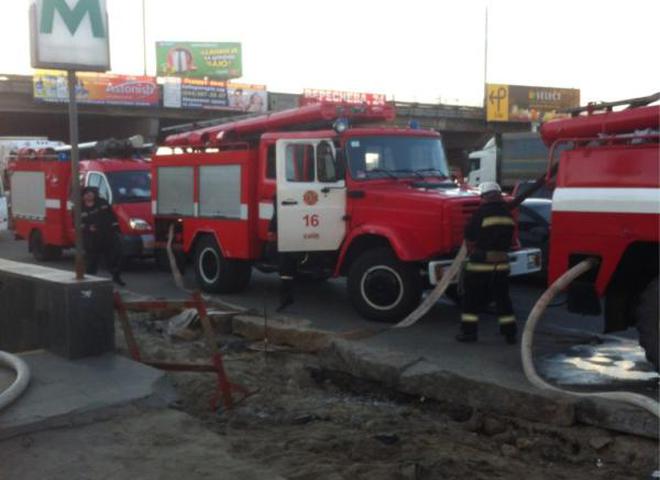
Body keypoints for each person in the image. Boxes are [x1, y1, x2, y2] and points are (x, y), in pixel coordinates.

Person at [457, 181, 516, 344]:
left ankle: (469, 333)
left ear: (484, 197)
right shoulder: (508, 214)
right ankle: (510, 334)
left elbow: (470, 235)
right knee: (503, 300)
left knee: (471, 300)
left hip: (480, 264)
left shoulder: (481, 212)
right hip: (502, 264)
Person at [81, 186, 125, 286]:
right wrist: (88, 228)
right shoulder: (79, 208)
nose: (89, 195)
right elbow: (77, 224)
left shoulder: (102, 203)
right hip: (91, 238)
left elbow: (112, 216)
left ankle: (116, 277)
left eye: (91, 193)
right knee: (92, 261)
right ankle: (89, 281)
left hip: (107, 235)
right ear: (83, 196)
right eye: (87, 193)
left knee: (113, 258)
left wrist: (116, 229)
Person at [268, 194, 296, 312]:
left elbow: (276, 217)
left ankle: (286, 298)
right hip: (288, 237)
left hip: (285, 237)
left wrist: (271, 230)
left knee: (285, 269)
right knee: (286, 269)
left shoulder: (280, 197)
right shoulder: (285, 197)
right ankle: (286, 298)